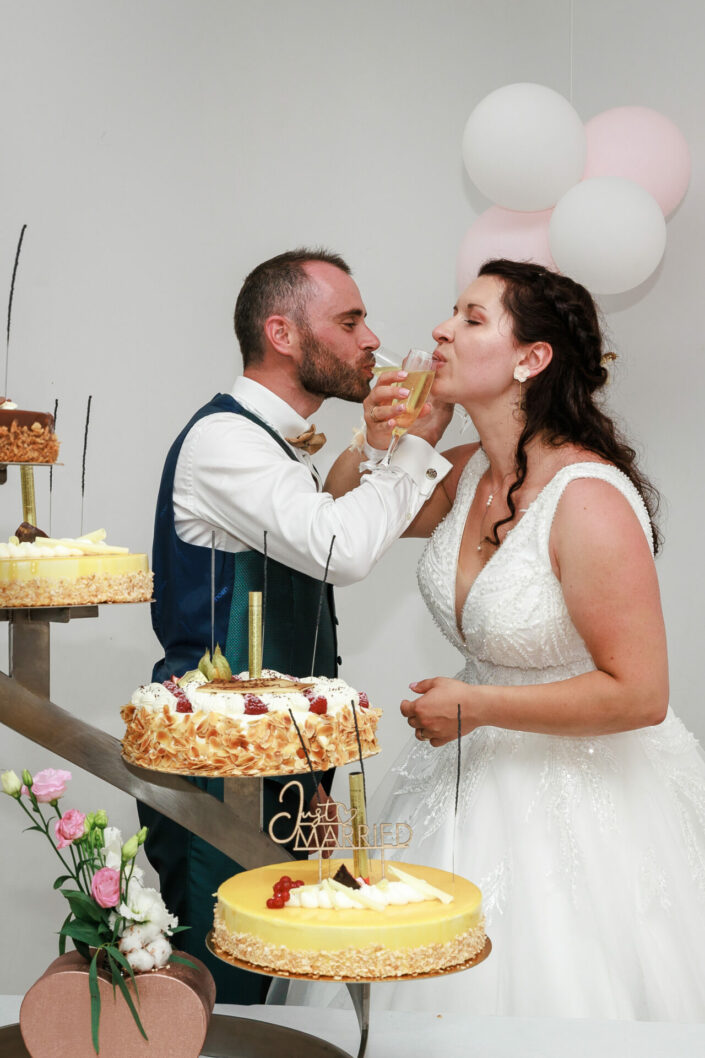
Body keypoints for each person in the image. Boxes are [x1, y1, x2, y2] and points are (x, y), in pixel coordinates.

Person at [341, 258, 705, 1019]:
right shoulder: (466, 469)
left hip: (583, 800)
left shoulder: (588, 500)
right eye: (450, 314)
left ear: (529, 359)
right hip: (466, 775)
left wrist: (476, 705)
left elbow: (639, 694)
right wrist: (375, 439)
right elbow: (338, 528)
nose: (439, 331)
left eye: (471, 319)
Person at [140, 247, 451, 1003]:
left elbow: (320, 521)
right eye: (349, 320)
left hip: (281, 754)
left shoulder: (271, 443)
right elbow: (337, 548)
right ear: (282, 334)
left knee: (270, 965)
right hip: (218, 764)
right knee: (220, 983)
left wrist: (377, 447)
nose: (371, 338)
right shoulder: (224, 441)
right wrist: (416, 445)